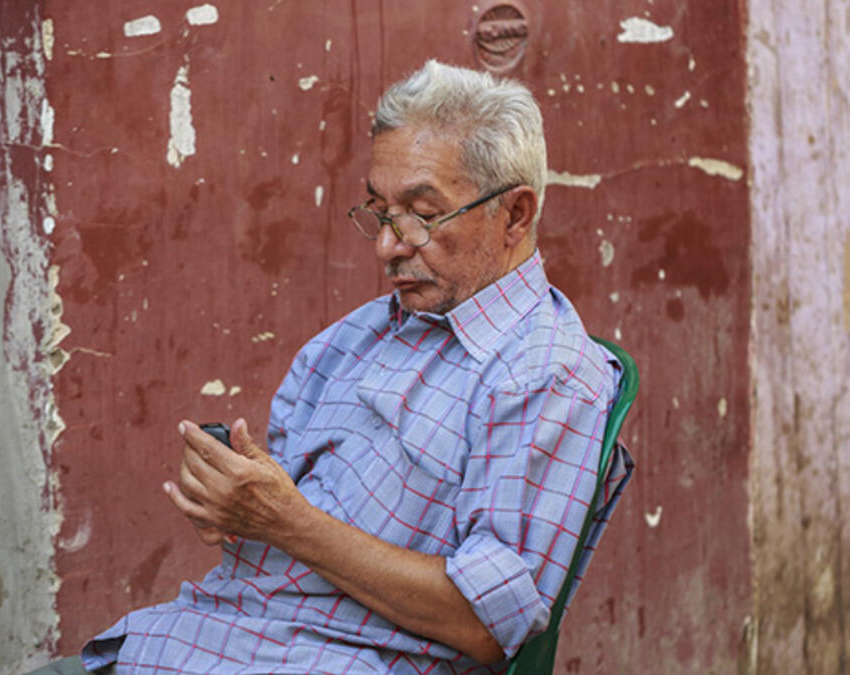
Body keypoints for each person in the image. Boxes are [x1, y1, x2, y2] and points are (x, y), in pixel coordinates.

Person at [80, 60, 634, 674]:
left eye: (423, 216)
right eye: (379, 212)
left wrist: (286, 520)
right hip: (204, 636)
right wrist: (239, 505)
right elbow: (289, 525)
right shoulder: (356, 338)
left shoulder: (545, 373)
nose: (388, 245)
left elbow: (484, 623)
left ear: (515, 216)